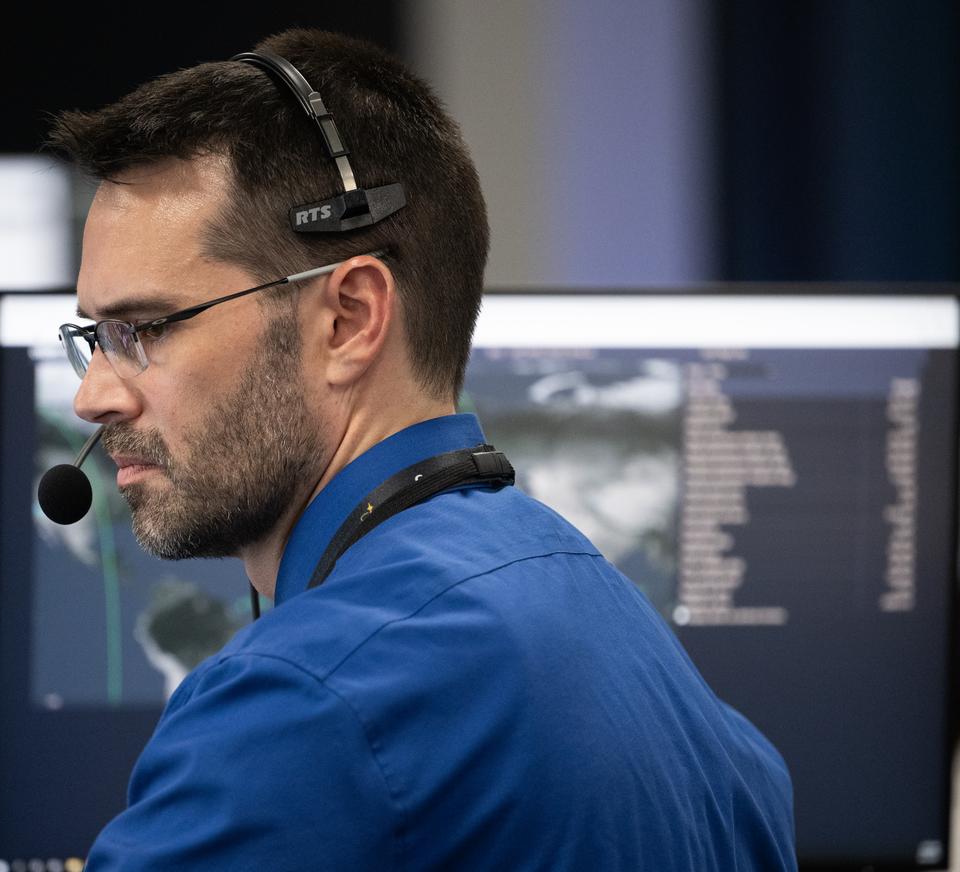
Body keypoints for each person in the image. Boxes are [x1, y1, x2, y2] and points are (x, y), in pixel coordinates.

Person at [47, 28, 796, 871]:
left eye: (142, 329)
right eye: (93, 337)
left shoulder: (302, 704)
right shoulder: (634, 645)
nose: (92, 395)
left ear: (349, 318)